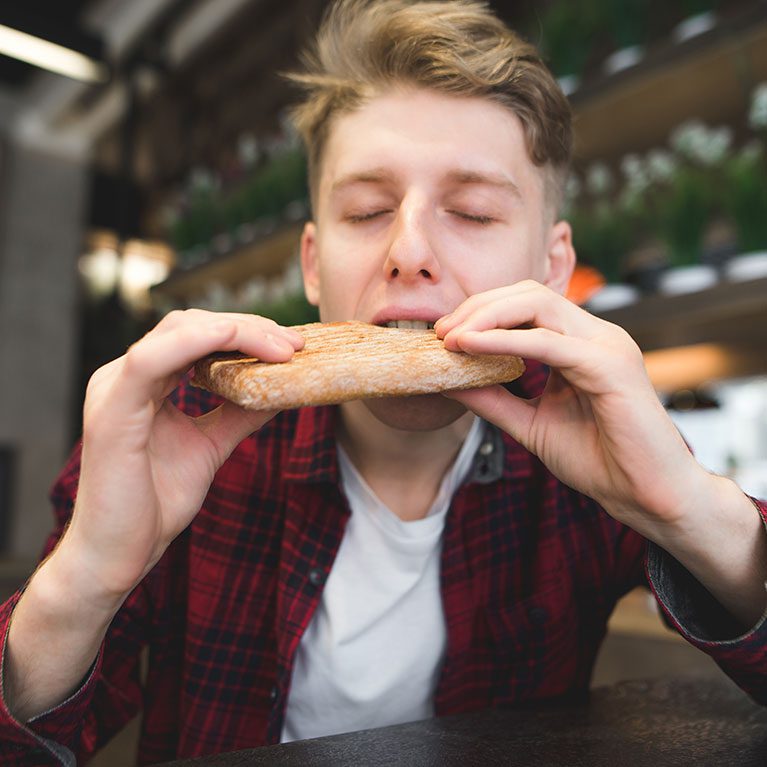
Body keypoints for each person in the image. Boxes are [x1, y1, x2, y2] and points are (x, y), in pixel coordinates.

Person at [2, 0, 766, 764]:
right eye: (367, 210)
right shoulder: (182, 428)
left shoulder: (587, 446)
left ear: (552, 268)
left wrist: (686, 505)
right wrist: (87, 577)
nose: (408, 250)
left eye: (470, 211)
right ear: (311, 262)